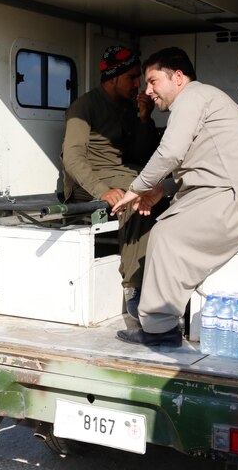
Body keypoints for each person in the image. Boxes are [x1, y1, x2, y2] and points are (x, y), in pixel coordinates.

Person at [112, 47, 238, 346]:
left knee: (166, 235)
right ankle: (161, 322)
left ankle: (160, 329)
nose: (148, 90)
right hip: (224, 196)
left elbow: (171, 152)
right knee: (164, 230)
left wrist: (136, 189)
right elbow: (202, 165)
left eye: (153, 81)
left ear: (178, 77)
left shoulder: (192, 97)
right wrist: (161, 189)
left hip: (234, 202)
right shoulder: (201, 99)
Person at [62, 45, 161, 319]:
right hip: (88, 182)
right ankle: (134, 286)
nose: (138, 84)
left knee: (160, 186)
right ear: (113, 78)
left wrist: (144, 118)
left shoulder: (128, 107)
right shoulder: (84, 107)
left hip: (119, 172)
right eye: (131, 78)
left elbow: (138, 155)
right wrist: (102, 191)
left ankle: (161, 275)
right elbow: (72, 158)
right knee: (138, 193)